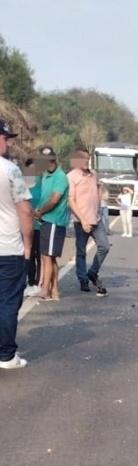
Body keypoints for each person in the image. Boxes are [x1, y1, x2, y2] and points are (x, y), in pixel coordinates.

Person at [0, 119, 33, 369]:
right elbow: (24, 211)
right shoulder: (9, 170)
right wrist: (28, 245)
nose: (8, 143)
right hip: (8, 248)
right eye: (6, 138)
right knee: (9, 301)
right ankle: (7, 356)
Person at [67, 148, 109, 296]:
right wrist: (83, 220)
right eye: (83, 159)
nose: (86, 161)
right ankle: (83, 279)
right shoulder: (71, 176)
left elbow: (97, 190)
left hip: (96, 219)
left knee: (104, 246)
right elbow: (71, 200)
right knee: (81, 252)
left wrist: (99, 196)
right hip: (81, 220)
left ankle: (92, 272)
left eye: (88, 159)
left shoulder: (93, 174)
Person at [34, 146, 69, 301]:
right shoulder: (45, 175)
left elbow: (54, 199)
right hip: (46, 220)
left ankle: (45, 290)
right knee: (49, 256)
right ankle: (54, 289)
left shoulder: (60, 177)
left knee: (47, 256)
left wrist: (41, 211)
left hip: (54, 220)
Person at [22, 158, 43, 297]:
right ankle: (31, 282)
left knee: (39, 255)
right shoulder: (23, 184)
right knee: (28, 254)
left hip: (41, 224)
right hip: (26, 225)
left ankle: (37, 282)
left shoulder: (43, 183)